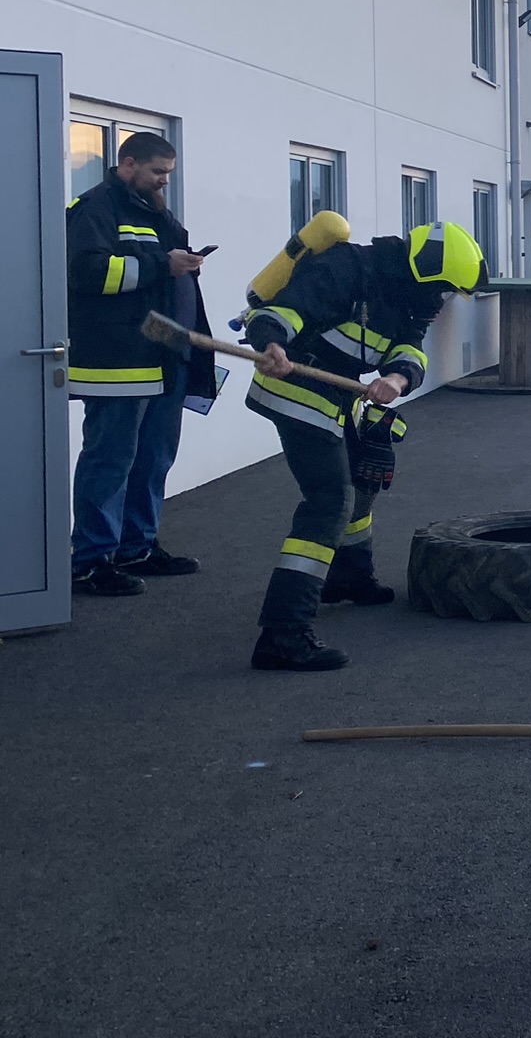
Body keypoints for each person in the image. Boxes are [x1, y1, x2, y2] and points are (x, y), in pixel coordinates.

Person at [240, 220, 488, 671]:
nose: (447, 297)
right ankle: (283, 634)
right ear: (428, 269)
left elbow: (409, 348)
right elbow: (285, 311)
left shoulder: (417, 296)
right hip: (294, 386)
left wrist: (397, 377)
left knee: (363, 479)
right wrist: (271, 342)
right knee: (329, 501)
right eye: (449, 287)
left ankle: (350, 577)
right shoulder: (346, 268)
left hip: (339, 395)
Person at [66, 132, 221, 595]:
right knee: (110, 460)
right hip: (119, 364)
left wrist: (185, 263)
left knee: (153, 459)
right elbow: (87, 272)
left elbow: (170, 268)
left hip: (164, 358)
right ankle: (90, 561)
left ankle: (137, 546)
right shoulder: (94, 209)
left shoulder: (156, 212)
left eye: (168, 175)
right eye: (157, 172)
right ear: (127, 164)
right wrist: (161, 264)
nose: (164, 182)